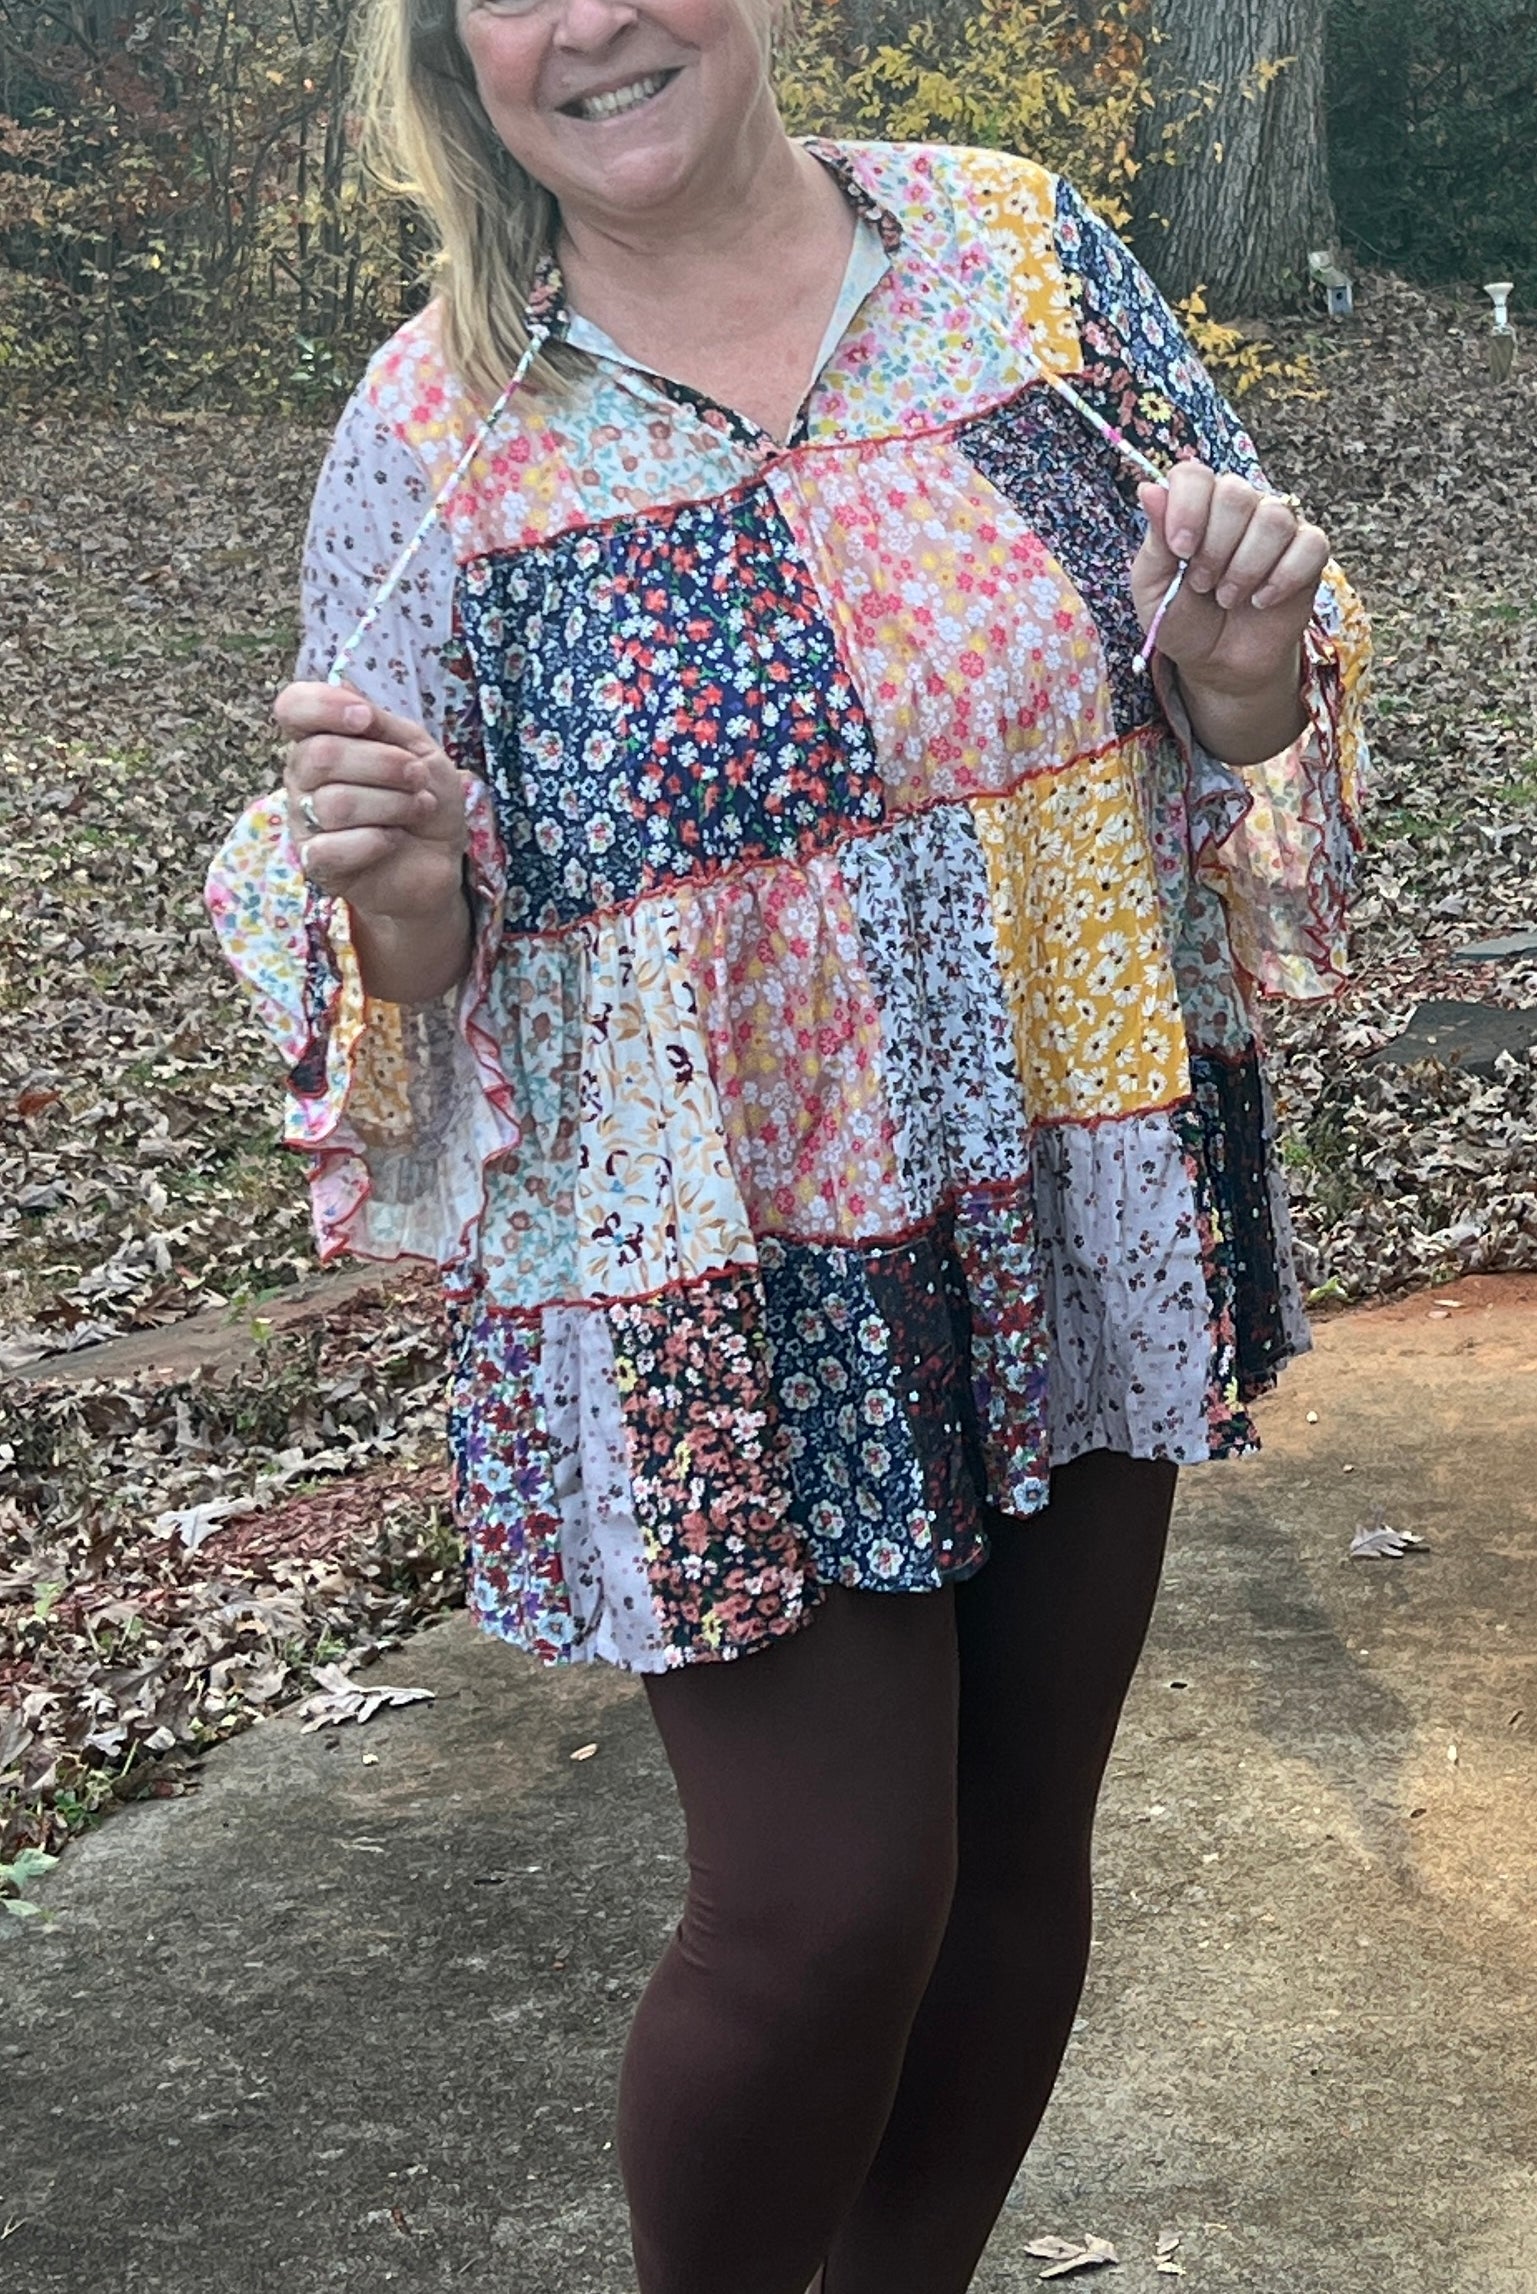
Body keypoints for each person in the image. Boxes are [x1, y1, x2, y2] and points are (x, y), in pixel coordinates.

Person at [206, 2, 1370, 2287]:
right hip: (713, 1246)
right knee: (826, 1906)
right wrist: (403, 883)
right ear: (453, 50)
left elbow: (1231, 682)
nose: (587, 21)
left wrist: (1241, 662)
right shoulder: (442, 416)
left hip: (1065, 1160)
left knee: (1013, 1847)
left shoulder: (1018, 255)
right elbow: (393, 944)